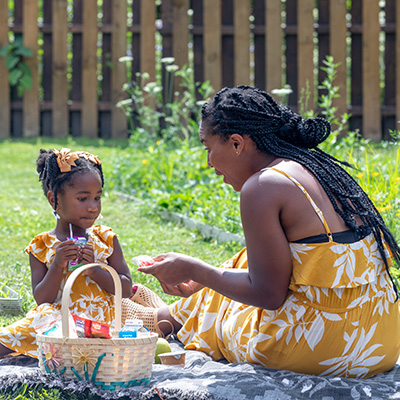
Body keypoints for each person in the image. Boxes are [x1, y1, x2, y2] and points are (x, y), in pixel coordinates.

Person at [122, 85, 400, 379]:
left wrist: (194, 269)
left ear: (237, 143)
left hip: (322, 350)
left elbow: (267, 294)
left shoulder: (263, 186)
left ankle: (160, 319)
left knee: (227, 286)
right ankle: (170, 313)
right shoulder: (314, 167)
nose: (208, 163)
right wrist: (203, 276)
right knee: (244, 261)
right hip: (379, 340)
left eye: (208, 148)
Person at [0, 148, 132, 358]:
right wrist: (57, 265)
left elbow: (125, 290)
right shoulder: (42, 246)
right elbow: (42, 299)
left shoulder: (106, 240)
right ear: (54, 200)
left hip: (100, 326)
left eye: (97, 198)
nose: (93, 207)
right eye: (82, 199)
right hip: (57, 324)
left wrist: (95, 270)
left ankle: (69, 349)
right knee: (22, 329)